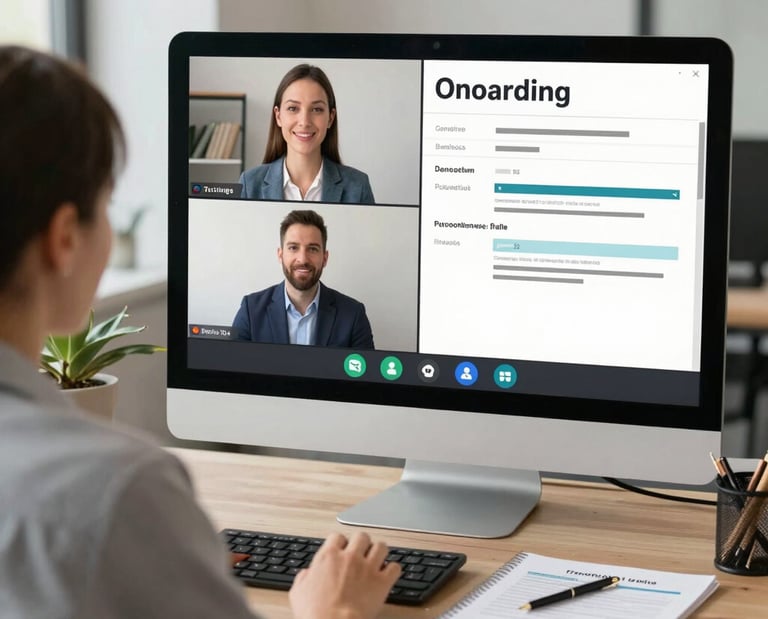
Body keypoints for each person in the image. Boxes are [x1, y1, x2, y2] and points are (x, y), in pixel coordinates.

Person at [0, 45, 398, 618]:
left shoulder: (353, 219)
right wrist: (334, 610)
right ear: (65, 239)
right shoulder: (121, 492)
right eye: (107, 205)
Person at [233, 209, 375, 349]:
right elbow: (231, 368)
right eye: (293, 247)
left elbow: (366, 370)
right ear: (280, 255)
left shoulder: (353, 314)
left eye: (312, 249)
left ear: (325, 258)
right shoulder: (250, 310)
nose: (302, 259)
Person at [239, 64, 375, 204]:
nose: (304, 122)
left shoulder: (358, 187)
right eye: (293, 108)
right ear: (278, 116)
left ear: (331, 118)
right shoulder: (249, 184)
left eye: (316, 109)